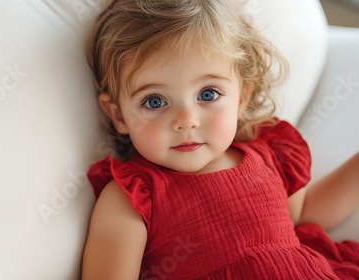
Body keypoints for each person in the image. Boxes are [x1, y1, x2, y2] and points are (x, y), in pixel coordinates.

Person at [82, 0, 359, 279]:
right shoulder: (133, 196)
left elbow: (304, 215)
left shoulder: (267, 153)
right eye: (154, 101)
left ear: (242, 98)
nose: (186, 120)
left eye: (208, 94)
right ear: (119, 116)